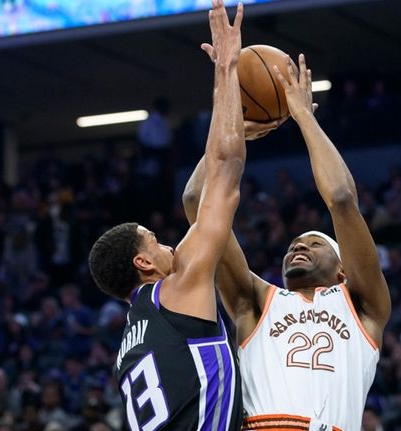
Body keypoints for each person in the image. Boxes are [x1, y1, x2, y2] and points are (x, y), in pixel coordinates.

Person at [182, 54, 391, 430]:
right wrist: (234, 134)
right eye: (295, 244)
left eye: (314, 243)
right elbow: (197, 201)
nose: (299, 247)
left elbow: (342, 198)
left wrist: (304, 117)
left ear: (343, 268)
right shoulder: (256, 301)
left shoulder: (364, 306)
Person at [87, 1, 247, 429]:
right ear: (143, 263)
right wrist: (227, 70)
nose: (169, 244)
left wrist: (235, 125)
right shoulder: (174, 292)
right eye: (155, 240)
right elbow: (225, 175)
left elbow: (195, 192)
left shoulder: (129, 342)